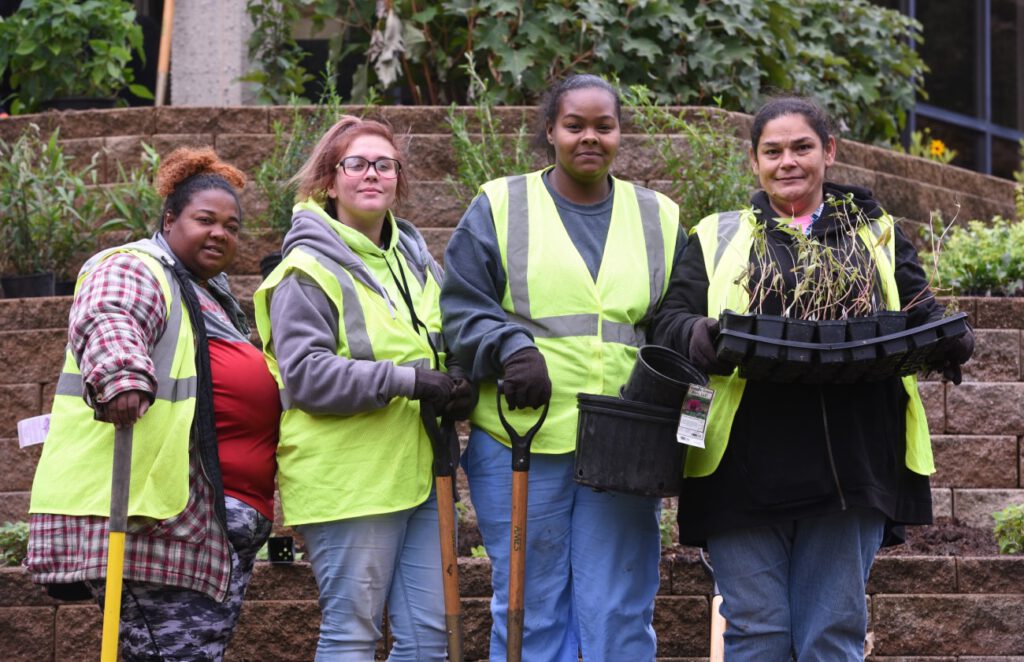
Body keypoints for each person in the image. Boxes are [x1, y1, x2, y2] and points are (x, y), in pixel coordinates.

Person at [649, 96, 975, 660]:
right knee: (756, 631)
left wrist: (949, 337)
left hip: (849, 461)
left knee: (833, 632)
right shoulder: (716, 235)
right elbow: (668, 319)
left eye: (802, 147)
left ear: (828, 152)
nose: (787, 162)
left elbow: (921, 310)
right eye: (772, 151)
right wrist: (696, 331)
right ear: (754, 161)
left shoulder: (876, 234)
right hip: (738, 465)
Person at [441, 74, 685, 661]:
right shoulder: (501, 205)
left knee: (618, 607)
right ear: (549, 130)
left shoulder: (660, 217)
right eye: (575, 125)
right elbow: (461, 305)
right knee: (531, 605)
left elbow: (674, 319)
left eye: (604, 125)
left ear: (619, 133)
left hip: (623, 445)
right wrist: (509, 346)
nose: (590, 137)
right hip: (521, 435)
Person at [28, 147, 280, 660]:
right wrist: (122, 375)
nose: (220, 234)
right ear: (169, 219)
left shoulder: (208, 294)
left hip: (212, 527)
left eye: (231, 226)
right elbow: (111, 312)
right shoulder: (137, 266)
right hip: (159, 521)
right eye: (204, 219)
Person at [252, 115, 474, 661]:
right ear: (330, 180)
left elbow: (438, 342)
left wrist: (460, 376)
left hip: (419, 471)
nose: (371, 174)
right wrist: (410, 381)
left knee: (428, 640)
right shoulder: (304, 270)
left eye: (384, 164)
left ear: (399, 177)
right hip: (349, 480)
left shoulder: (416, 262)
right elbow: (306, 375)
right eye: (356, 164)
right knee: (353, 635)